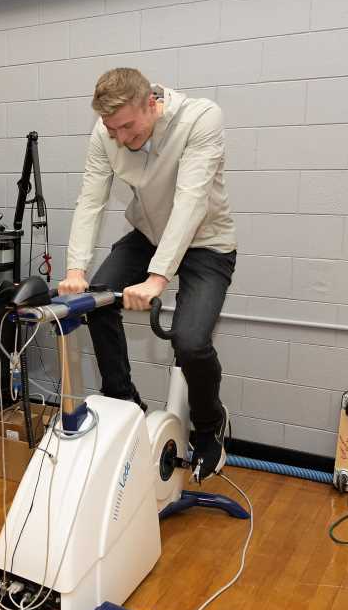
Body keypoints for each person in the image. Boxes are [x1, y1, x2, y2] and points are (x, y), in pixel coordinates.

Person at [58, 67, 237, 483]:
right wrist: (75, 270)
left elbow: (191, 202)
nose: (120, 138)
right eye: (112, 129)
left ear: (152, 104)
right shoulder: (105, 134)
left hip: (208, 242)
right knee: (96, 300)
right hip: (149, 235)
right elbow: (90, 201)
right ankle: (125, 403)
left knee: (190, 342)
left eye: (127, 127)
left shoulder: (200, 118)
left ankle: (210, 427)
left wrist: (157, 278)